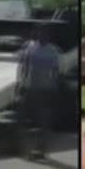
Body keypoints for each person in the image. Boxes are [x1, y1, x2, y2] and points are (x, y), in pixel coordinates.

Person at [14, 22, 61, 159]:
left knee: (43, 121)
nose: (41, 35)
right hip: (29, 88)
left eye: (44, 33)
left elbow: (56, 72)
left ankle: (40, 149)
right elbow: (23, 67)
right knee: (19, 118)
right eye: (39, 32)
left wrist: (55, 88)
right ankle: (18, 146)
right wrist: (19, 84)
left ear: (48, 35)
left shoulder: (53, 51)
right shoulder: (30, 48)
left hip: (46, 90)